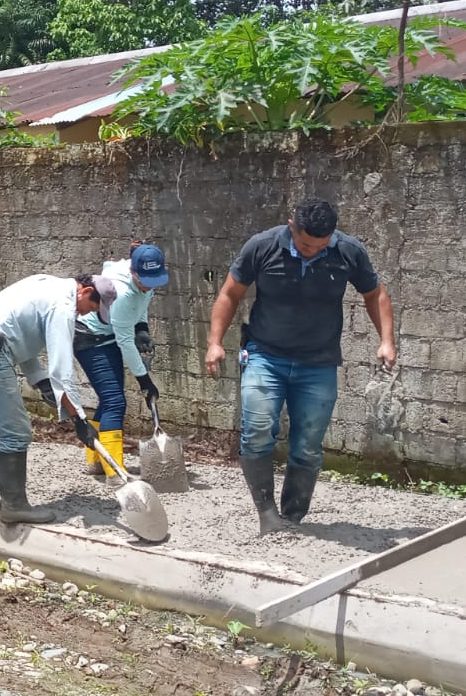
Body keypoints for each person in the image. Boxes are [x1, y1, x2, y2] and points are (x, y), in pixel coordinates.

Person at [206, 197, 396, 535]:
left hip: (318, 362)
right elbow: (229, 294)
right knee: (257, 431)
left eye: (321, 246)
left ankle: (292, 517)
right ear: (291, 226)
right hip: (265, 355)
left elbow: (375, 294)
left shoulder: (348, 251)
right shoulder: (262, 246)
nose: (312, 252)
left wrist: (386, 340)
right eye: (306, 245)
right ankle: (267, 514)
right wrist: (215, 343)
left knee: (308, 445)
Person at [0, 274, 116, 524]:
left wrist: (39, 380)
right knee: (17, 433)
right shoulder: (63, 307)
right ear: (85, 291)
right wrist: (80, 419)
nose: (85, 314)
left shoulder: (46, 284)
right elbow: (62, 371)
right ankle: (14, 506)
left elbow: (18, 334)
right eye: (91, 308)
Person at [63, 242, 169, 483]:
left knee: (110, 398)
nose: (150, 285)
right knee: (115, 402)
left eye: (155, 280)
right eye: (145, 280)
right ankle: (116, 473)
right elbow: (125, 342)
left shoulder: (144, 277)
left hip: (108, 334)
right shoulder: (121, 294)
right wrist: (144, 380)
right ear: (133, 272)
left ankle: (96, 460)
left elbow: (142, 301)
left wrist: (141, 327)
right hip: (89, 337)